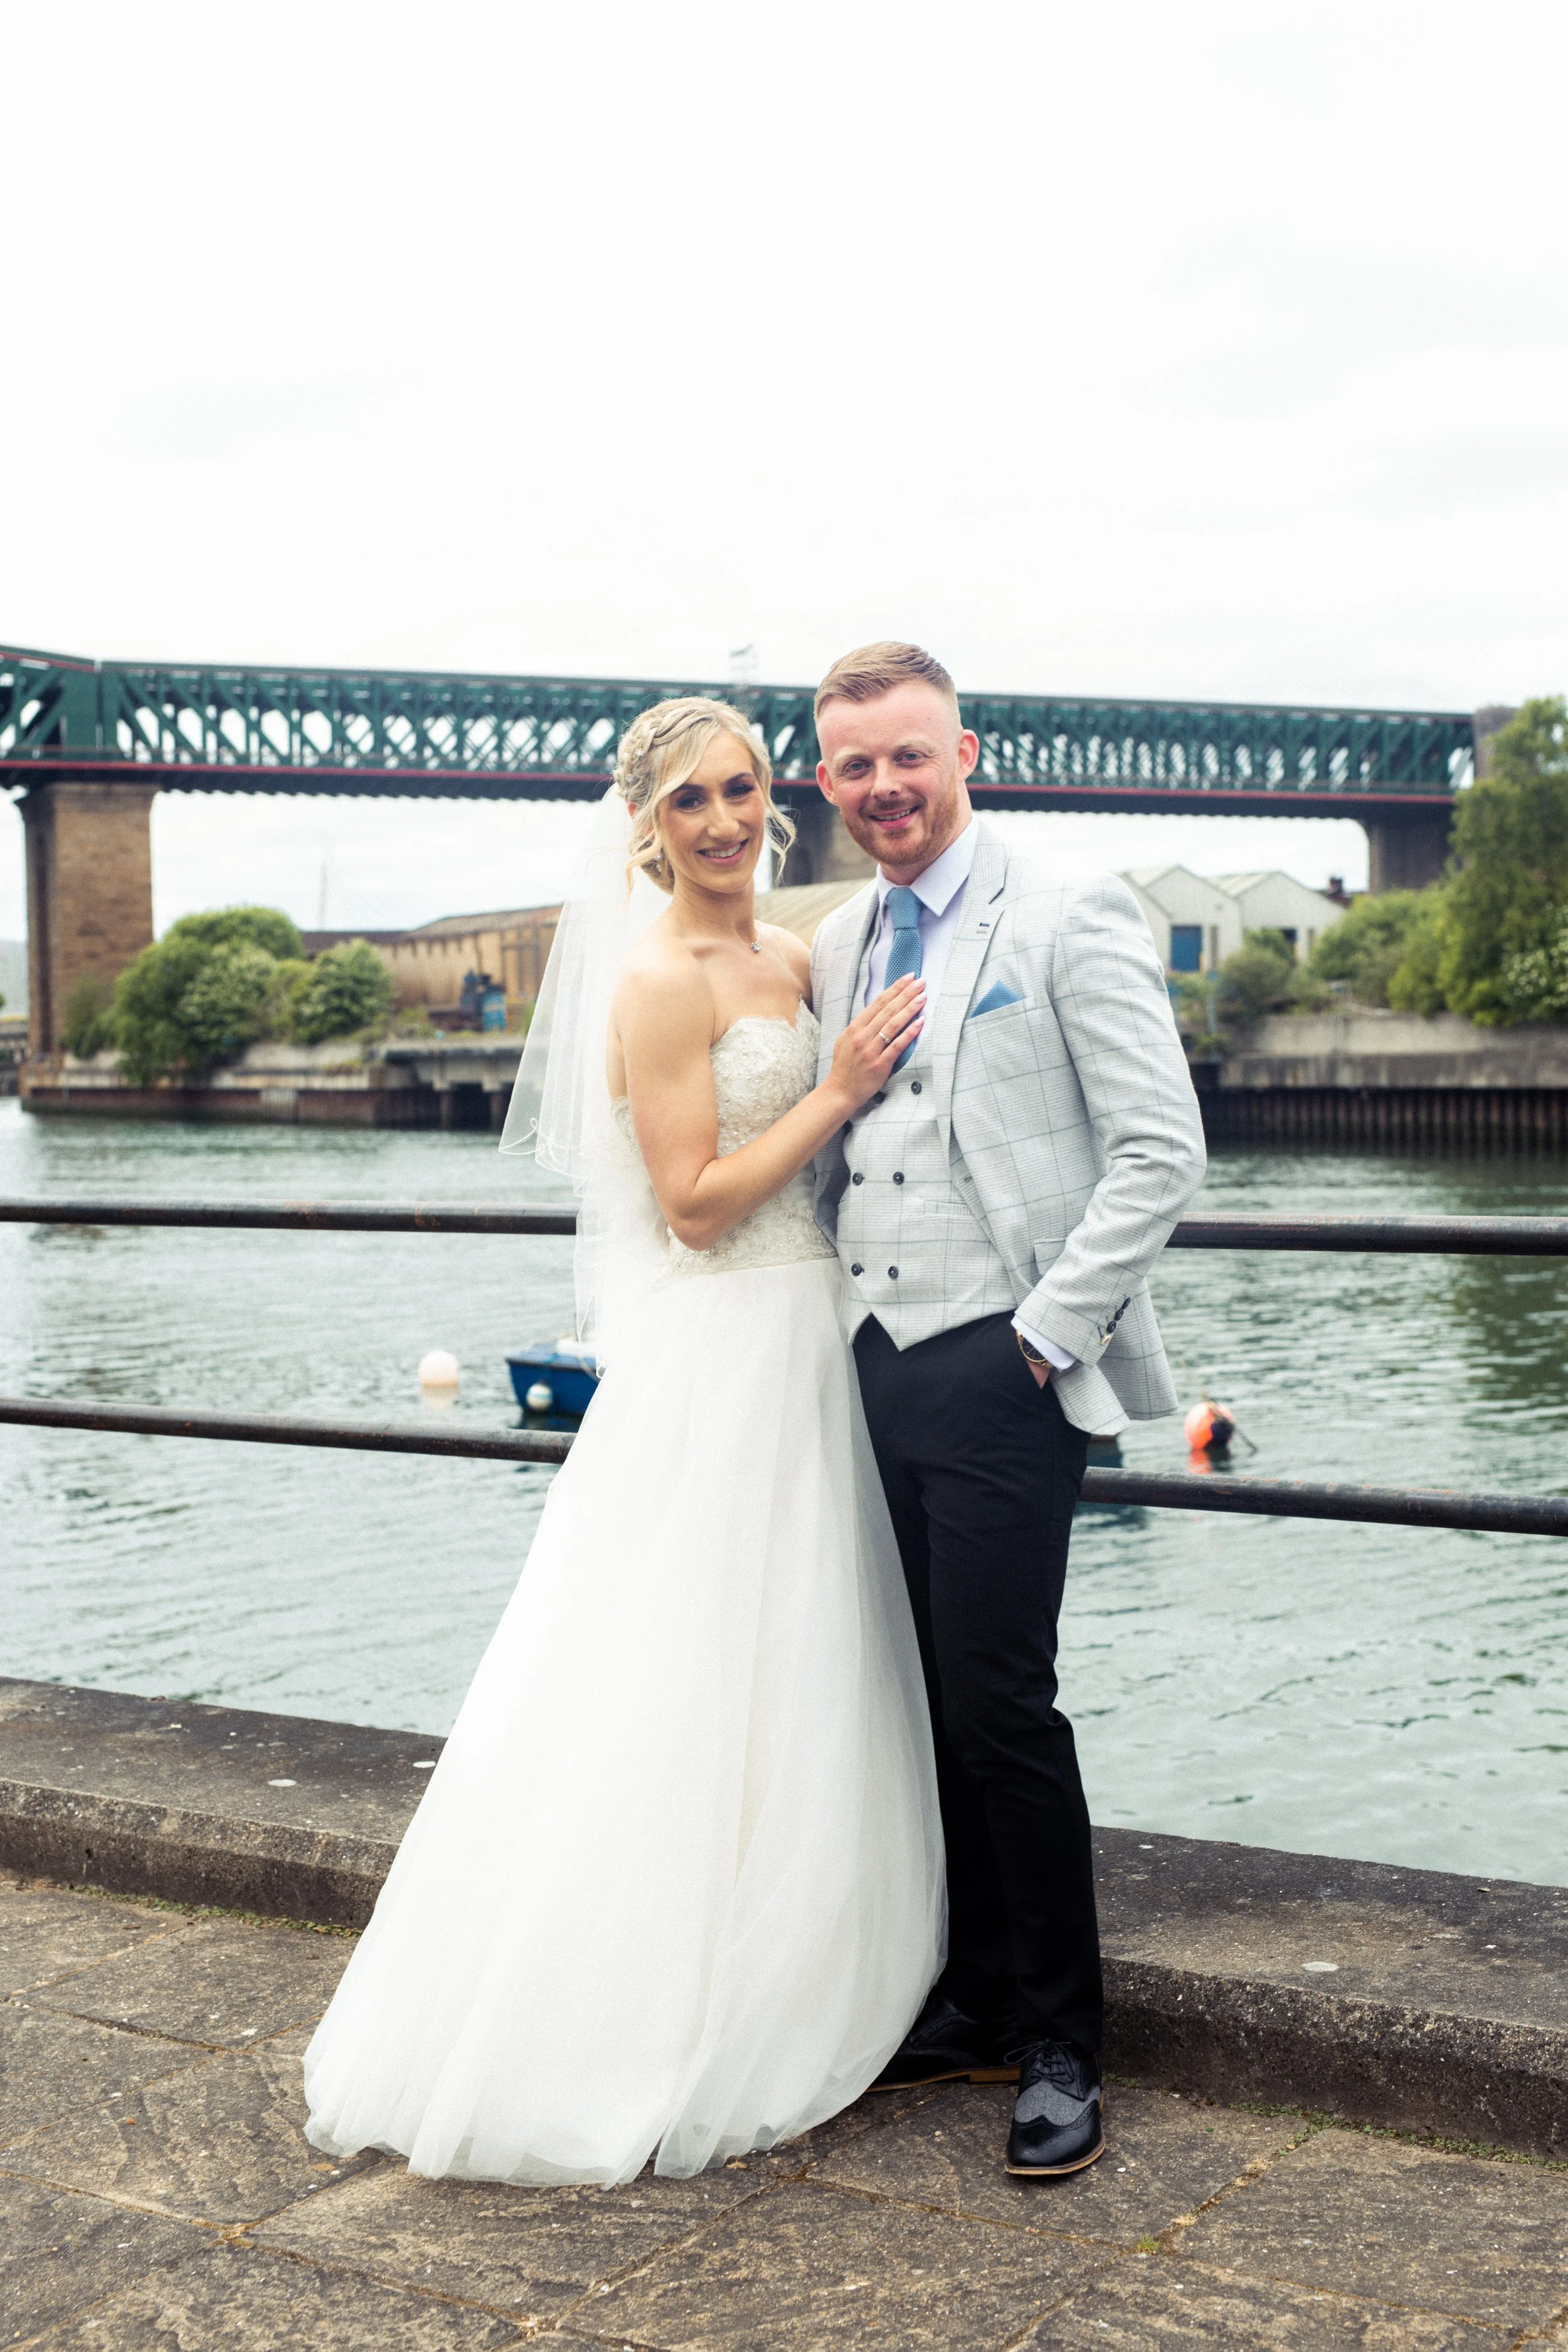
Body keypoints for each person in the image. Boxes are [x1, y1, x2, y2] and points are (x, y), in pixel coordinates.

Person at [302, 697, 945, 2187]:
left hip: (814, 1340)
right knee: (679, 1658)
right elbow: (695, 1203)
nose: (722, 820)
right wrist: (838, 1085)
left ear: (772, 799)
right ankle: (644, 2002)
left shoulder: (795, 950)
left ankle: (794, 1954)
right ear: (643, 826)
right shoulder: (656, 982)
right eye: (689, 802)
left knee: (798, 1656)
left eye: (742, 790)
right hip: (724, 1342)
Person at [808, 642, 1207, 2178]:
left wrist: (1040, 1340)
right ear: (827, 778)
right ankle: (971, 1999)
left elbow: (1157, 1153)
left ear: (961, 752)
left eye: (909, 756)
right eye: (854, 765)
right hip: (866, 1356)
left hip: (998, 1358)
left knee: (997, 1702)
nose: (885, 788)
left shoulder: (1066, 912)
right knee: (917, 1696)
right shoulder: (841, 934)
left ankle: (1059, 2037)